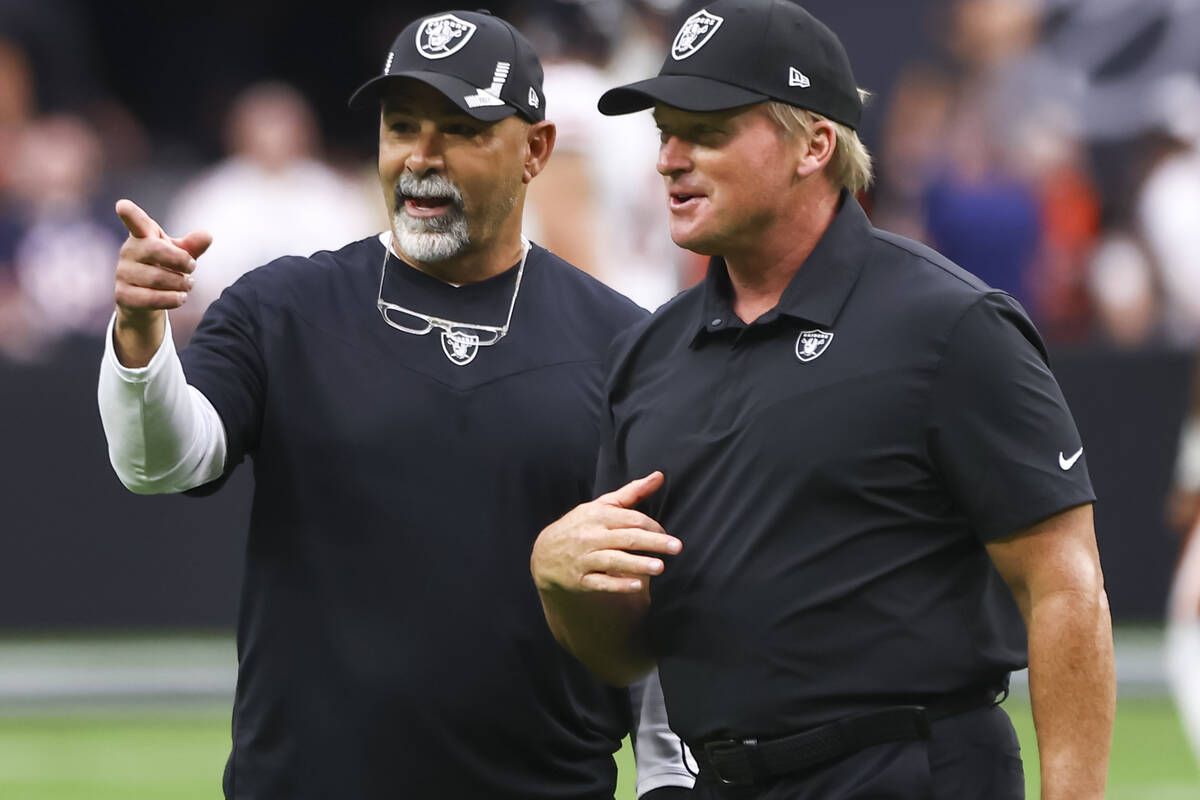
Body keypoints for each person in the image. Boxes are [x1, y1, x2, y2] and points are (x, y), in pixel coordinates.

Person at [97, 10, 693, 800]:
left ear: (536, 149)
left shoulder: (627, 344)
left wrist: (668, 781)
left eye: (459, 129)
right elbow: (164, 462)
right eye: (401, 125)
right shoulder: (282, 307)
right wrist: (140, 333)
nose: (421, 158)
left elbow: (661, 597)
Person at [529, 1, 1114, 798]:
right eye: (665, 130)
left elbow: (1063, 582)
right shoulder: (645, 355)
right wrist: (563, 584)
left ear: (815, 144)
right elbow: (627, 653)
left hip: (909, 770)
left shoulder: (948, 323)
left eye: (706, 129)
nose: (669, 158)